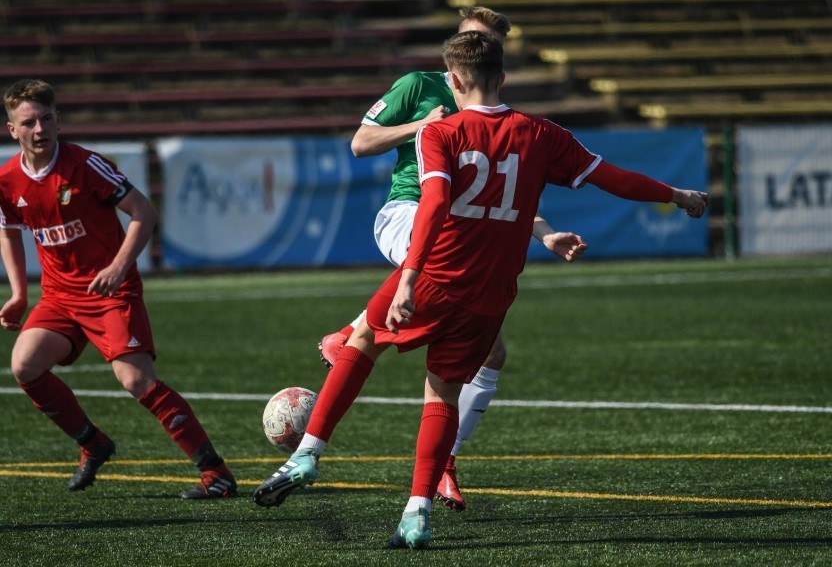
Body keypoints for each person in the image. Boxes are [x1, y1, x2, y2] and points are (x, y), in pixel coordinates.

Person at [254, 31, 708, 549]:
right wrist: (675, 195)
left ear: (453, 80)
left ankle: (307, 454)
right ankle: (416, 512)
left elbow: (433, 205)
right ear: (503, 78)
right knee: (443, 393)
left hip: (437, 274)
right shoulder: (541, 133)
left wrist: (407, 277)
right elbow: (613, 177)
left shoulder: (440, 132)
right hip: (492, 293)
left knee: (358, 342)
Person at [318, 5, 577, 513]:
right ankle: (354, 331)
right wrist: (420, 125)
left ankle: (444, 466)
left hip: (459, 224)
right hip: (409, 211)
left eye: (491, 47)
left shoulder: (492, 107)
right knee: (439, 249)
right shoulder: (418, 86)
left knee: (492, 354)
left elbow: (506, 196)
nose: (481, 53)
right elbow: (360, 142)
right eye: (474, 41)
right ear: (456, 47)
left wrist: (542, 234)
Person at [0, 78, 236, 499]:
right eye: (29, 122)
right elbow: (10, 231)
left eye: (47, 119)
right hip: (59, 296)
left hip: (111, 293)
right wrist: (19, 292)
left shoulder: (85, 165)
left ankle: (215, 473)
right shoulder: (6, 180)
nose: (40, 129)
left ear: (58, 120)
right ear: (12, 129)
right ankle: (93, 442)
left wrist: (118, 266)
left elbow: (144, 211)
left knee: (136, 381)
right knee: (25, 366)